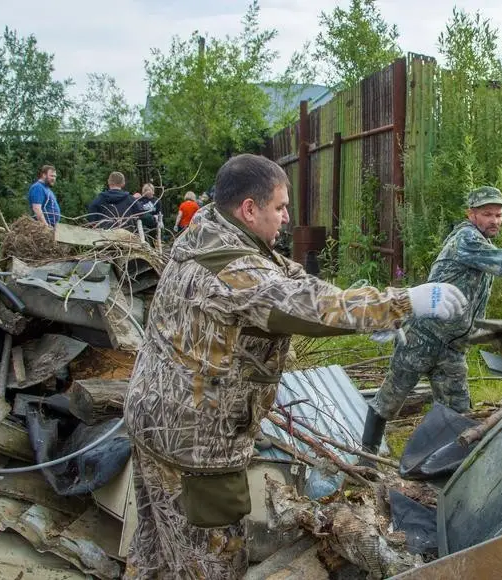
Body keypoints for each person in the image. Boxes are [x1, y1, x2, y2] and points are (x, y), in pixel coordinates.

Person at [122, 153, 467, 579]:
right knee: (211, 561)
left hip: (151, 418)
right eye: (281, 207)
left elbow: (293, 279)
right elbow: (303, 306)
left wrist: (368, 313)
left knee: (156, 547)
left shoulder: (210, 232)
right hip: (193, 444)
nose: (287, 217)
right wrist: (401, 302)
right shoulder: (232, 269)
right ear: (249, 208)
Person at [360, 186, 502, 457]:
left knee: (457, 411)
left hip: (453, 347)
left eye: (499, 215)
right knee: (390, 399)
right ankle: (367, 457)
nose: (495, 220)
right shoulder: (466, 240)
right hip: (421, 339)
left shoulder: (482, 244)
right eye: (487, 214)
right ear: (472, 214)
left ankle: (446, 467)